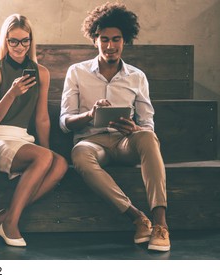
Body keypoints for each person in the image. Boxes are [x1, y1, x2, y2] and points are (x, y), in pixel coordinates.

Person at [60, 2, 170, 251]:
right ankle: (137, 217)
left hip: (124, 142)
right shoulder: (76, 72)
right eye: (104, 39)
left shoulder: (136, 76)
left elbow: (148, 122)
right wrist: (91, 114)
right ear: (95, 40)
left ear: (125, 40)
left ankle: (161, 223)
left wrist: (135, 129)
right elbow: (65, 121)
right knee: (80, 152)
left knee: (149, 138)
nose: (110, 46)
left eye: (116, 39)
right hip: (92, 142)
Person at [0, 14, 68, 247]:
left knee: (59, 163)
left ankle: (4, 216)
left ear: (31, 41)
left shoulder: (41, 72)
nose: (19, 47)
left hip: (24, 139)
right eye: (13, 41)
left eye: (24, 41)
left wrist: (47, 154)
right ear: (5, 41)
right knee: (44, 158)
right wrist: (11, 94)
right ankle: (11, 224)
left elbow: (41, 117)